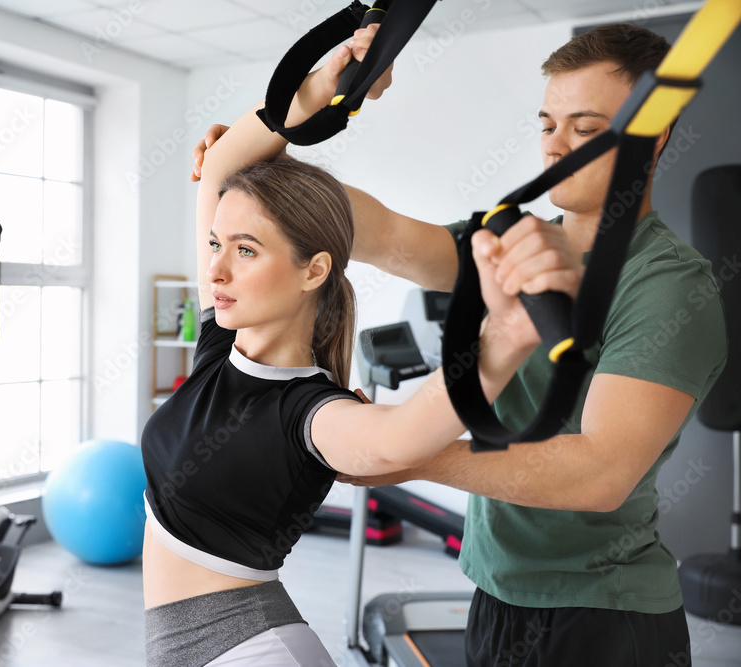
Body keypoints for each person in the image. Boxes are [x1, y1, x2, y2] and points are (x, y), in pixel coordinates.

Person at [192, 21, 728, 667]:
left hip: (602, 613)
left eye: (584, 129)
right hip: (494, 589)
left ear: (654, 134)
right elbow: (318, 211)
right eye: (547, 123)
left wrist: (412, 456)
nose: (556, 146)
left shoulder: (667, 285)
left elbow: (602, 473)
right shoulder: (509, 242)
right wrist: (309, 103)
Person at [141, 27, 585, 667]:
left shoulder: (312, 412)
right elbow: (217, 170)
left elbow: (398, 437)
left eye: (246, 250)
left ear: (313, 269)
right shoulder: (219, 346)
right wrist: (320, 93)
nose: (214, 270)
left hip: (250, 652)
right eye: (216, 244)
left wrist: (508, 334)